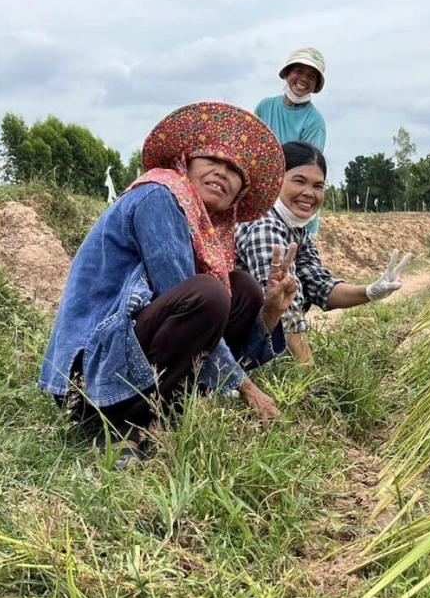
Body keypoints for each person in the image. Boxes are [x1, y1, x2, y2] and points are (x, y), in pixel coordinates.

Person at [39, 102, 298, 442]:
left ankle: (169, 408)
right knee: (209, 294)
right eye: (211, 159)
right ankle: (122, 427)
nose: (222, 171)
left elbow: (209, 331)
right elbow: (179, 292)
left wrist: (270, 311)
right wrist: (247, 389)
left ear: (240, 191)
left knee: (243, 289)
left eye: (234, 170)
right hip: (90, 377)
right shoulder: (160, 196)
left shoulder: (206, 228)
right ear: (186, 163)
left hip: (128, 355)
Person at [236, 141, 411, 364]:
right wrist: (308, 375)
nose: (309, 193)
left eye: (318, 186)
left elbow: (321, 285)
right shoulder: (265, 225)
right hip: (238, 341)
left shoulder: (297, 230)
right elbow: (283, 311)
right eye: (299, 181)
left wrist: (371, 291)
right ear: (276, 181)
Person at [255, 48, 327, 236]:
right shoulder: (265, 107)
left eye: (311, 76)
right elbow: (252, 150)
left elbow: (308, 168)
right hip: (262, 201)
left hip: (294, 208)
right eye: (299, 71)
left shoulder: (314, 121)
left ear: (316, 84)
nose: (303, 79)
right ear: (287, 73)